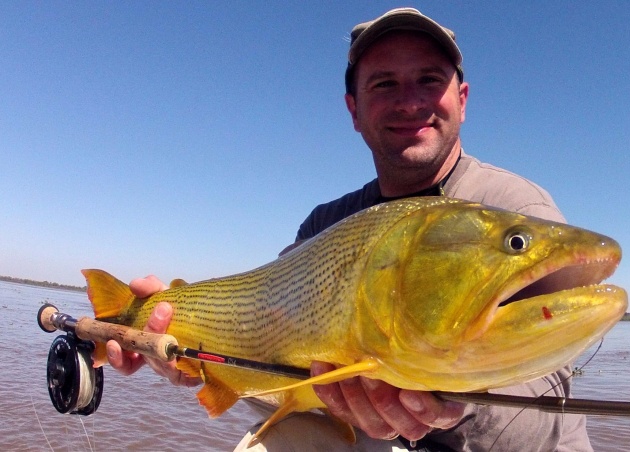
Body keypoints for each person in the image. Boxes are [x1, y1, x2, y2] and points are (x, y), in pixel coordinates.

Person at [108, 8, 593, 451]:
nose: (409, 101)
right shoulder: (325, 224)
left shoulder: (514, 208)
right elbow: (260, 330)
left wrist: (451, 404)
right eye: (383, 84)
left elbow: (547, 403)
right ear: (353, 110)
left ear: (462, 100)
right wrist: (176, 345)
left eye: (429, 79)